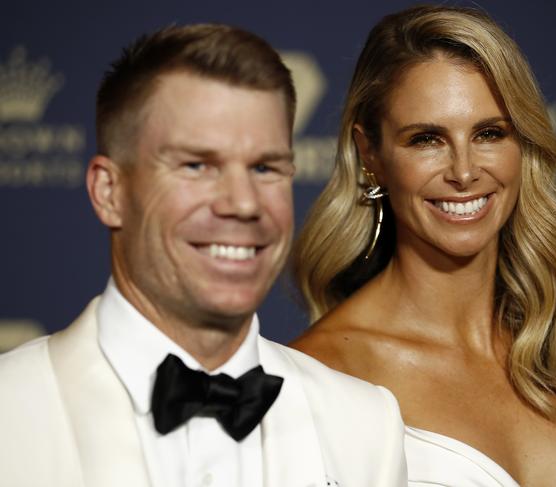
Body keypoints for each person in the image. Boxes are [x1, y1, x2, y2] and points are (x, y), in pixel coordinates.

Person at [0, 24, 407, 487]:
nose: (243, 203)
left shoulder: (366, 426)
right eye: (197, 165)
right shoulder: (9, 414)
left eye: (264, 167)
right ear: (109, 191)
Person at [291, 5, 556, 486]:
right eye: (427, 139)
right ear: (370, 154)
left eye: (489, 133)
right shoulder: (317, 378)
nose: (463, 172)